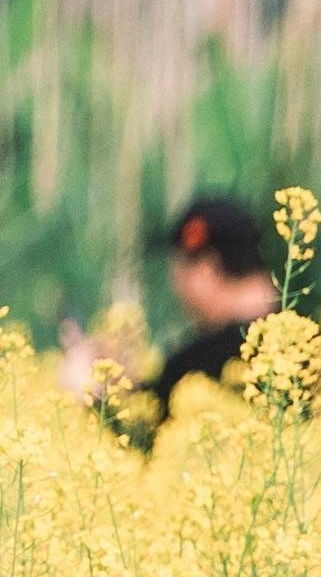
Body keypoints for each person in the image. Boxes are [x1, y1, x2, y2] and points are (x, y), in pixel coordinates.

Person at [52, 193, 285, 455]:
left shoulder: (196, 365)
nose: (176, 285)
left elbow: (141, 447)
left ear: (209, 268)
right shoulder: (307, 345)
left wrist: (90, 395)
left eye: (178, 267)